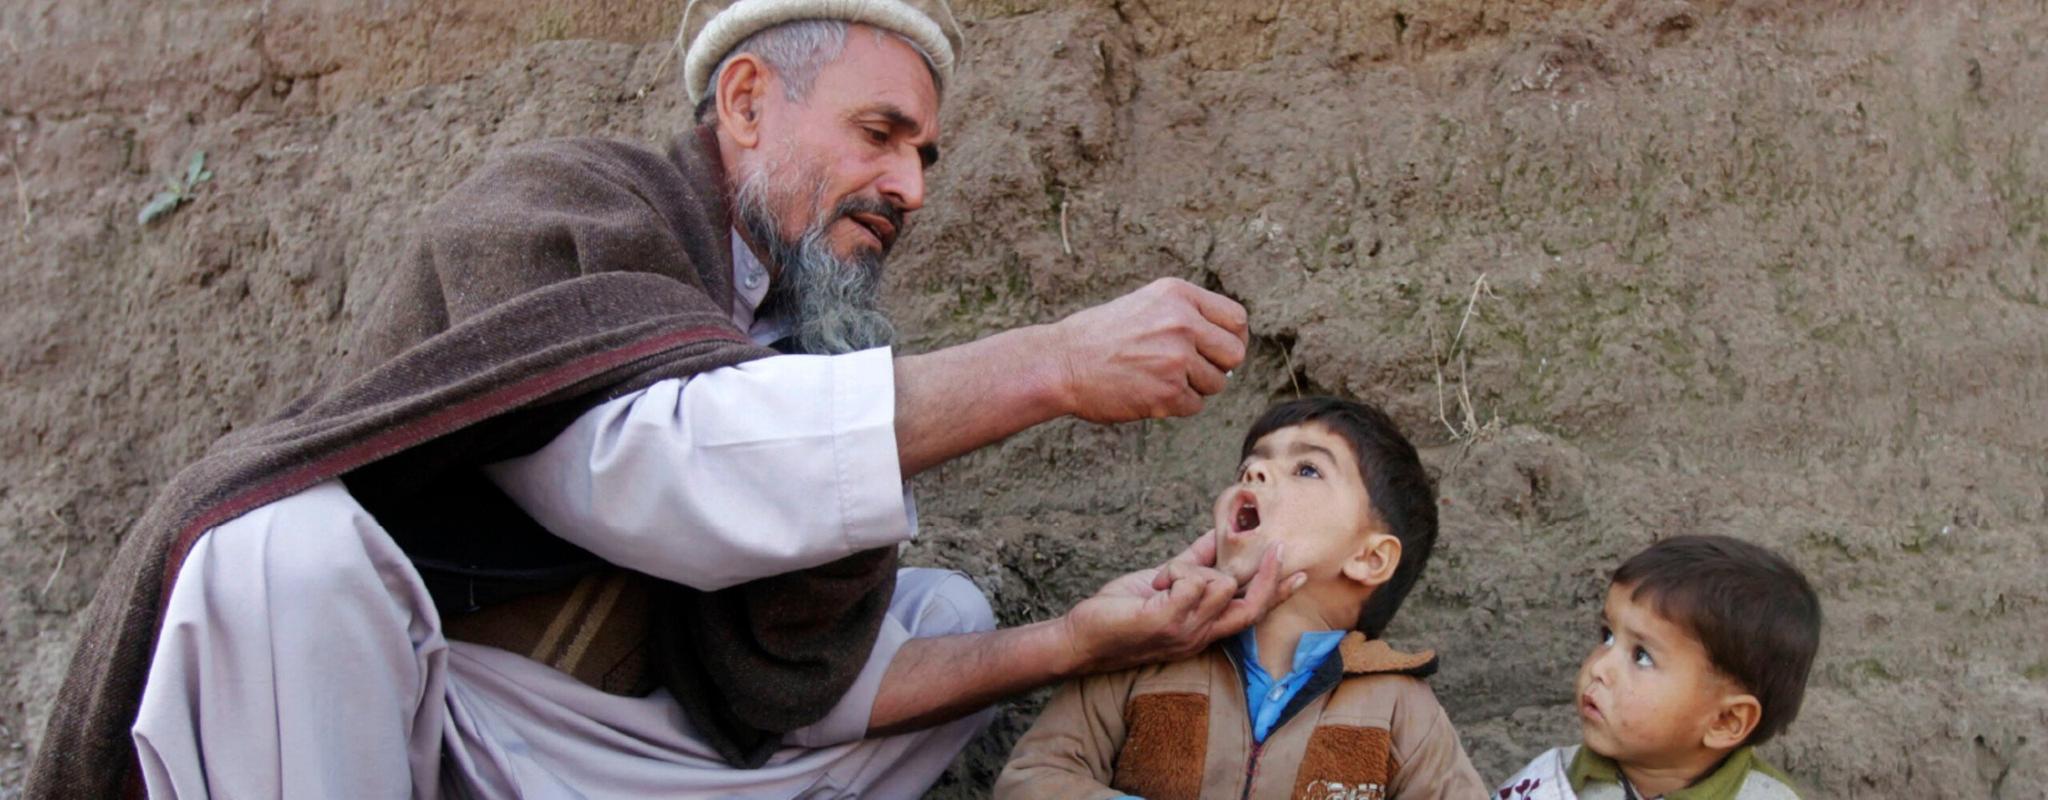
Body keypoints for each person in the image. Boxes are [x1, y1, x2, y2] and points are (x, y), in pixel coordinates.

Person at [26, 1, 1307, 797]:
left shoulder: (806, 331)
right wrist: (1049, 364)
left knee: (949, 612)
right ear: (748, 102)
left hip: (597, 748)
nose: (909, 183)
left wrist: (1073, 641)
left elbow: (802, 680)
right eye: (878, 133)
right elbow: (658, 472)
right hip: (403, 718)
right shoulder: (570, 208)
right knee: (284, 553)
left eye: (922, 151)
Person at [996, 397, 1487, 799]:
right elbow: (1031, 778)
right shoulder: (1146, 650)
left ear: (1370, 559)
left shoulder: (1401, 705)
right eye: (1249, 466)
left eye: (1308, 469)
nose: (1254, 475)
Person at [1494, 535, 1823, 800]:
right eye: (1607, 636)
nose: (1599, 667)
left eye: (1642, 656)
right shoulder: (1549, 784)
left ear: (1725, 720)